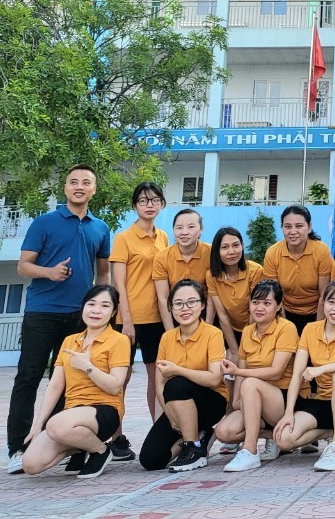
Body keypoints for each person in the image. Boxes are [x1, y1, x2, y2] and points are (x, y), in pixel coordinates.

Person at [7, 163, 112, 475]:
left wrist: (103, 305)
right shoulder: (44, 222)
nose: (79, 186)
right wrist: (49, 272)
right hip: (42, 312)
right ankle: (17, 448)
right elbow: (23, 266)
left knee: (71, 381)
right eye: (73, 181)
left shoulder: (100, 228)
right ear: (65, 188)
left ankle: (64, 445)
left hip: (79, 317)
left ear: (94, 190)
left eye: (86, 182)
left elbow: (103, 272)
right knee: (28, 377)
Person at [20, 284, 131, 480]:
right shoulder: (70, 341)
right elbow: (55, 386)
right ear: (83, 307)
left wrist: (88, 367)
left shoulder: (119, 340)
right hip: (71, 414)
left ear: (114, 312)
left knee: (55, 425)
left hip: (104, 410)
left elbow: (115, 386)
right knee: (31, 464)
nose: (96, 310)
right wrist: (37, 425)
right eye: (91, 304)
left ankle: (101, 451)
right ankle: (80, 447)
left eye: (105, 306)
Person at [273, 279, 335, 472]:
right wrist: (288, 413)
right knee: (284, 439)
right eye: (331, 302)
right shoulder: (310, 330)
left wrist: (323, 369)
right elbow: (297, 374)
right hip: (325, 399)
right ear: (323, 303)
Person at [139, 278, 228, 472]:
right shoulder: (167, 337)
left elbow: (214, 379)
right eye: (178, 304)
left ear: (202, 305)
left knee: (177, 383)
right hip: (178, 404)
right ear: (171, 308)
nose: (185, 308)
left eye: (191, 302)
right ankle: (202, 436)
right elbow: (159, 383)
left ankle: (194, 448)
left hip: (211, 402)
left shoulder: (213, 334)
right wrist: (171, 416)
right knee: (150, 460)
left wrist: (178, 370)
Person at [108, 181, 167, 454]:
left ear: (162, 204)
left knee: (158, 379)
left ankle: (159, 435)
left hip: (157, 318)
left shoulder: (163, 237)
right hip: (127, 320)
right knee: (122, 378)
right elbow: (119, 284)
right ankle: (116, 437)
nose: (149, 205)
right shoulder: (123, 238)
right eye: (143, 201)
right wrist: (127, 320)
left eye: (154, 200)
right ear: (135, 206)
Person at [214, 280, 299, 472]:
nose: (259, 308)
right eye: (255, 302)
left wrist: (238, 372)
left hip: (282, 399)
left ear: (279, 306)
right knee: (224, 432)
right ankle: (273, 436)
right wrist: (237, 401)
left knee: (251, 383)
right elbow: (241, 370)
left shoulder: (286, 328)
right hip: (253, 397)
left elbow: (276, 371)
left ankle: (250, 451)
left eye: (267, 303)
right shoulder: (247, 331)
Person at [262, 205, 333, 334]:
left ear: (309, 227)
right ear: (282, 228)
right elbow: (275, 297)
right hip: (285, 313)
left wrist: (317, 329)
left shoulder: (322, 251)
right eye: (288, 227)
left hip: (317, 312)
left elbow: (324, 295)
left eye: (299, 226)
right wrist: (286, 329)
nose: (293, 231)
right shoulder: (272, 253)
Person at [207, 226, 264, 359]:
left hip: (256, 328)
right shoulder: (212, 276)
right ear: (217, 251)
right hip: (231, 330)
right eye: (225, 247)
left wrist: (244, 346)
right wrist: (234, 350)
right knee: (231, 360)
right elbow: (222, 315)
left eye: (236, 245)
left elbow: (255, 311)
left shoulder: (256, 271)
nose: (231, 251)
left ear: (242, 246)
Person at [154, 209, 214, 329]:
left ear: (201, 229)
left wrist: (208, 329)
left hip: (205, 311)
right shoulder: (162, 257)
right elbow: (163, 298)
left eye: (191, 227)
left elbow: (213, 294)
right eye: (179, 228)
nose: (184, 232)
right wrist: (170, 332)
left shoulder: (212, 254)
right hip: (175, 312)